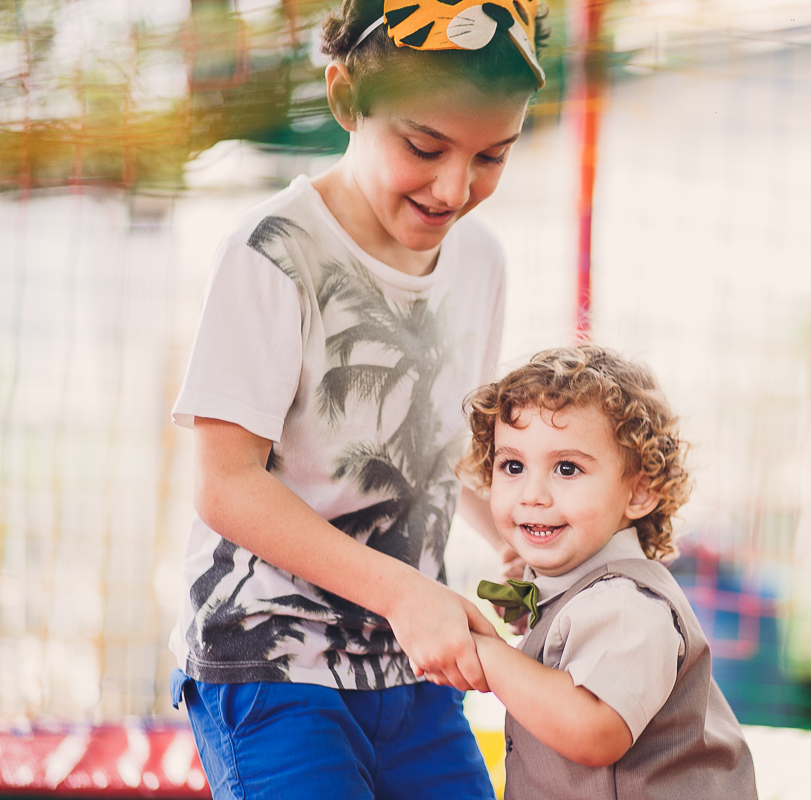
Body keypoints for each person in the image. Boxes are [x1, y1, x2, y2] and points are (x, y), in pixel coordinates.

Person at [166, 2, 546, 798]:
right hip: (270, 663)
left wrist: (523, 533)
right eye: (424, 146)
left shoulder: (480, 260)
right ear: (346, 99)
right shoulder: (273, 251)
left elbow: (448, 445)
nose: (455, 187)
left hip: (408, 665)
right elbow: (225, 482)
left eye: (492, 157)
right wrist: (406, 592)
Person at [458, 346, 759, 799]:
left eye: (566, 468)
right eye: (513, 465)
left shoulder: (628, 605)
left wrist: (486, 652)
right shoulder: (585, 589)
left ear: (639, 492)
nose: (532, 494)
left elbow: (593, 729)